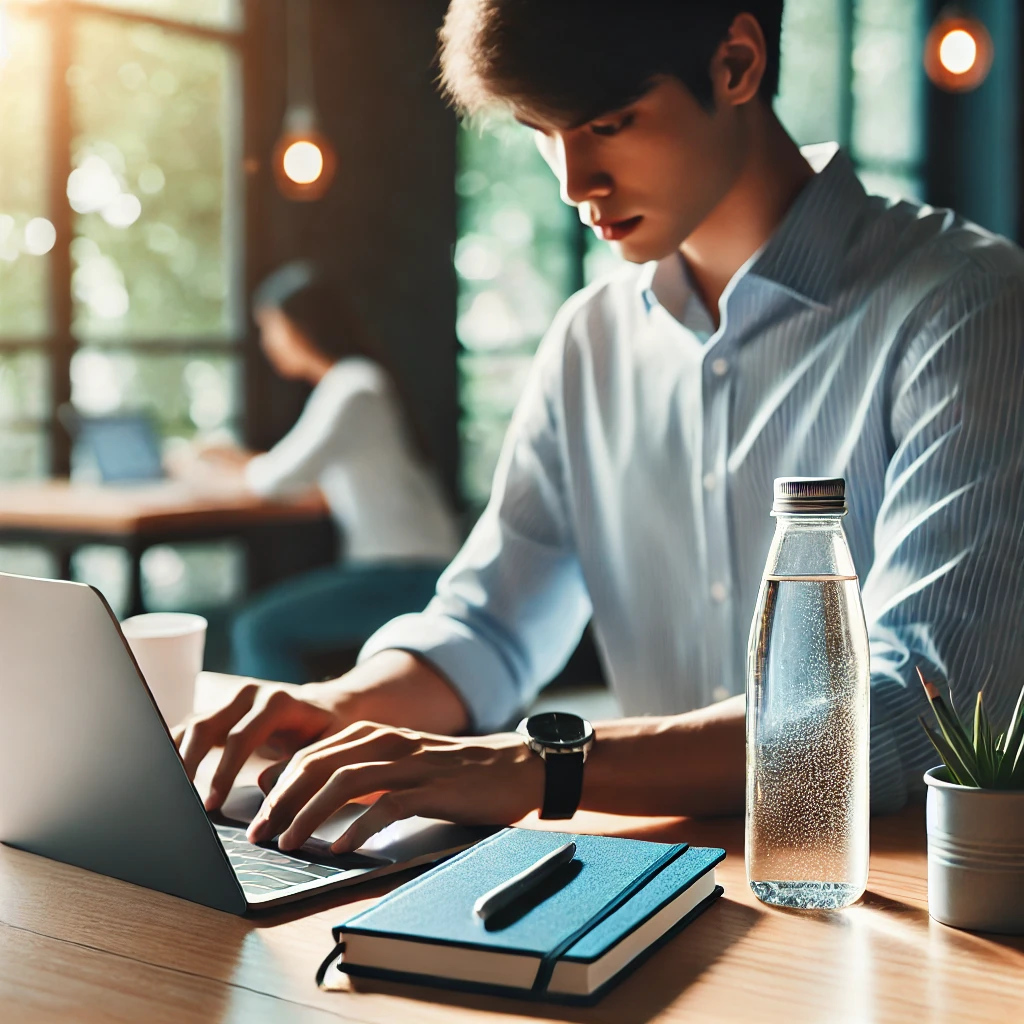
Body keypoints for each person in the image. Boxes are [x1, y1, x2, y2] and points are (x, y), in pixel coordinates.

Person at [173, 0, 1024, 857]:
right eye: (542, 132)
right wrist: (343, 707)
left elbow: (921, 705)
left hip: (895, 901)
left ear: (735, 64)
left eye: (610, 124)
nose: (574, 181)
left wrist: (547, 764)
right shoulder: (590, 340)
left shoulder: (965, 308)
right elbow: (491, 626)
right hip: (665, 880)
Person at [201, 261, 461, 684]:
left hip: (407, 576)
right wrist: (233, 463)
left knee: (258, 628)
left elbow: (275, 480)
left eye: (270, 327)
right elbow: (308, 483)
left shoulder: (352, 386)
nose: (268, 343)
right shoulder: (359, 381)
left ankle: (282, 744)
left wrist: (204, 477)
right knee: (263, 624)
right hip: (403, 571)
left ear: (300, 326)